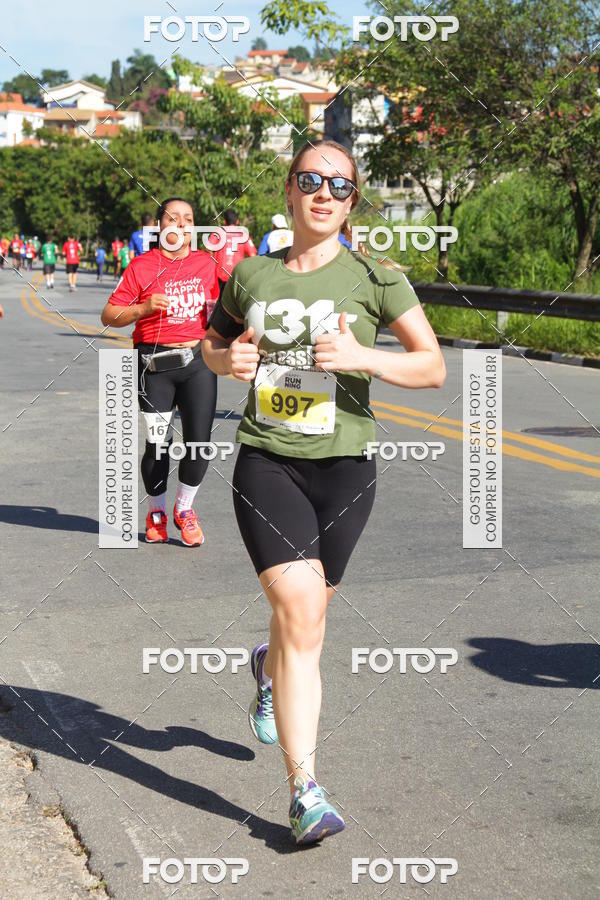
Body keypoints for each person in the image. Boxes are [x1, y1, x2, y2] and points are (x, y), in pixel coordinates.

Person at [202, 140, 446, 845]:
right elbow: (211, 348)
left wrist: (365, 357)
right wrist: (228, 358)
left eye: (339, 184)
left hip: (345, 469)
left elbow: (431, 368)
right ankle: (305, 791)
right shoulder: (251, 275)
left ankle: (266, 665)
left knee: (307, 621)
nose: (323, 192)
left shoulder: (378, 278)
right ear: (289, 189)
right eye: (310, 179)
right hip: (268, 462)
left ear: (352, 200)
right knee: (303, 610)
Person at [100, 197, 220, 546]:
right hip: (153, 366)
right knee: (158, 443)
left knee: (199, 443)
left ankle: (184, 509)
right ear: (159, 227)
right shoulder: (141, 266)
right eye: (173, 218)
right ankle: (156, 511)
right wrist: (143, 307)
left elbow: (218, 312)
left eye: (188, 219)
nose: (182, 224)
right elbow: (109, 316)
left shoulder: (206, 265)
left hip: (197, 362)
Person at [210, 209, 257, 300]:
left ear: (224, 221)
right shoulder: (243, 234)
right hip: (237, 275)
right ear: (237, 221)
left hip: (219, 275)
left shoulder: (218, 232)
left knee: (218, 302)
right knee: (235, 303)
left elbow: (209, 249)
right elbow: (252, 255)